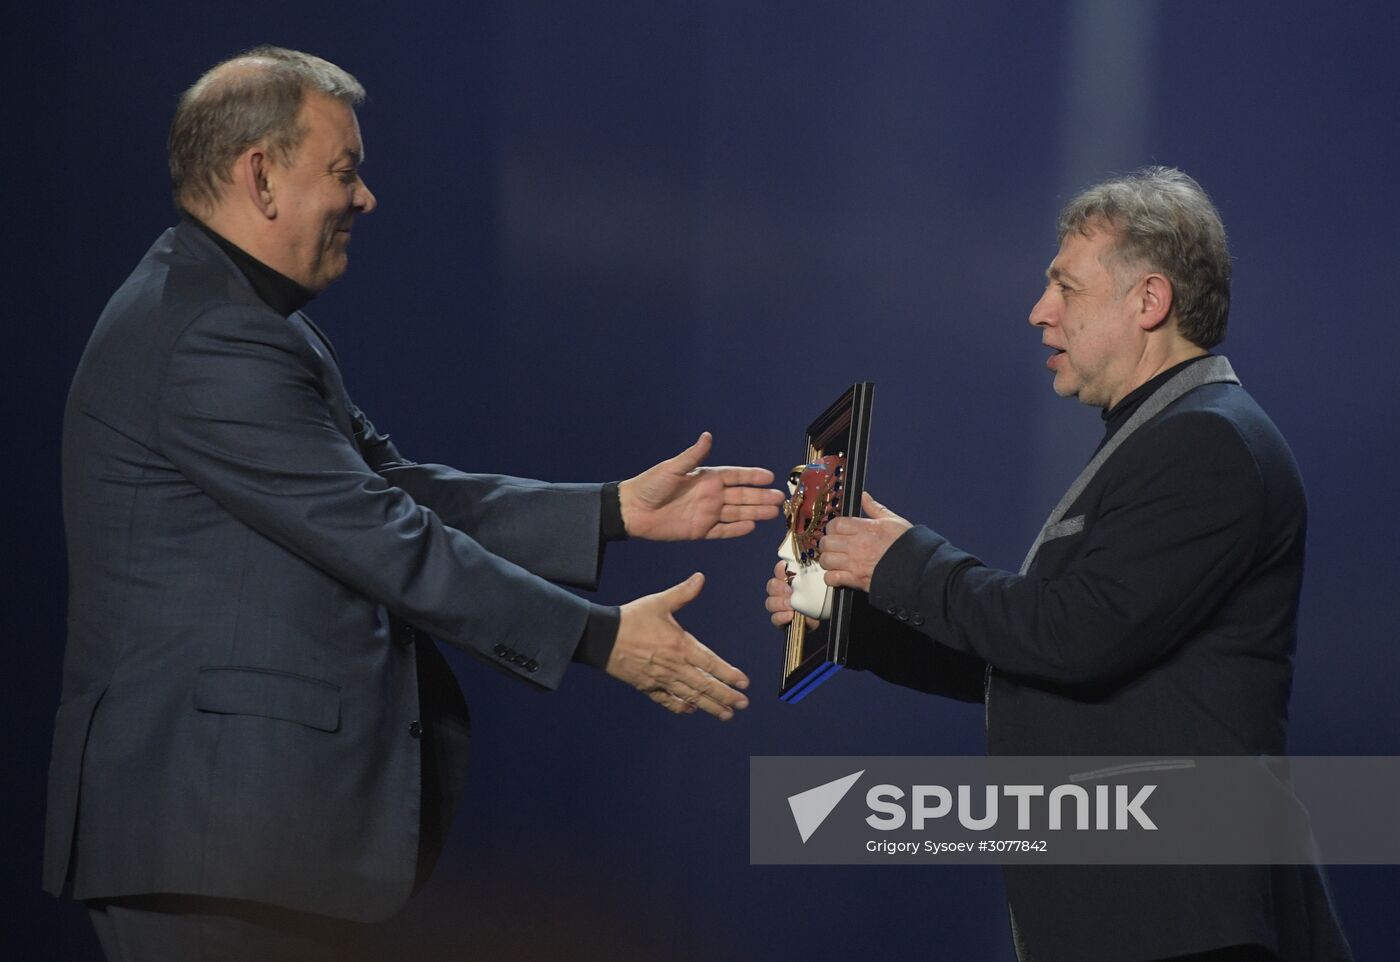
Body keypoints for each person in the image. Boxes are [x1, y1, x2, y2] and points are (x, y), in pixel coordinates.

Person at [45, 46, 784, 960]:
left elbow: (387, 488)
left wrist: (611, 511)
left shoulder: (239, 315)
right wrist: (599, 637)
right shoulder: (210, 336)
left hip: (242, 850)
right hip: (214, 845)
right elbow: (383, 536)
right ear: (260, 175)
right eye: (344, 172)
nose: (366, 199)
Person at [766, 168, 1352, 961]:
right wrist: (850, 615)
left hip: (1185, 930)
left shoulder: (1208, 444)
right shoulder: (1160, 439)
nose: (1039, 312)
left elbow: (1073, 636)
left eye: (1065, 288)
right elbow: (1034, 661)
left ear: (1148, 302)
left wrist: (902, 562)